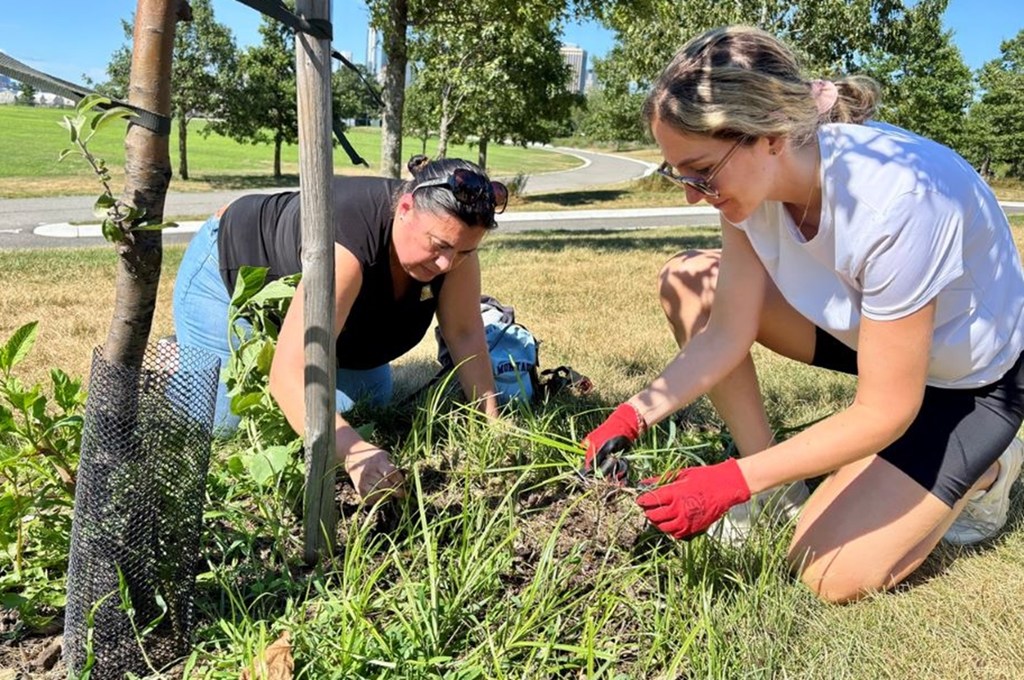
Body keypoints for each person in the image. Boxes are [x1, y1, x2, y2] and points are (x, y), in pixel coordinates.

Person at [581, 25, 1024, 603]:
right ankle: (774, 484)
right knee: (691, 281)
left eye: (702, 172)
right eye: (677, 173)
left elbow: (887, 408)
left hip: (973, 380)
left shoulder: (902, 197)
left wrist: (727, 484)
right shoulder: (748, 191)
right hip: (874, 333)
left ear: (769, 135)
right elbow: (725, 334)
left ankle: (990, 472)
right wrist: (630, 417)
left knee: (826, 572)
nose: (692, 194)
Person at [173, 158, 507, 502]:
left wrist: (493, 428)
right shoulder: (346, 245)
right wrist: (355, 454)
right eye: (438, 246)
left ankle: (295, 336)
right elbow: (288, 374)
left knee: (364, 403)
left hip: (328, 312)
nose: (447, 265)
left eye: (464, 252)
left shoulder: (452, 243)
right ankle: (174, 361)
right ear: (405, 207)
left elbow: (465, 333)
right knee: (222, 425)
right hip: (229, 272)